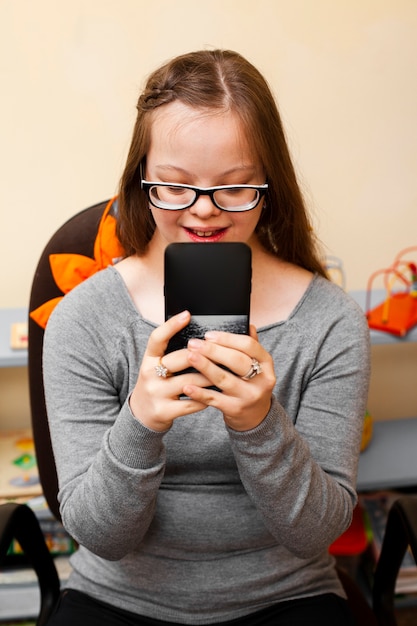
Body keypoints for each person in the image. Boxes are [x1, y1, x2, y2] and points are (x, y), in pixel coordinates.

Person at [43, 49, 371, 625]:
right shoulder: (83, 319)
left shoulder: (329, 321)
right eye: (173, 186)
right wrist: (139, 423)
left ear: (269, 185)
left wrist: (259, 424)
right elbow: (100, 535)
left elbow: (317, 531)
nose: (203, 212)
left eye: (235, 187)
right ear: (140, 179)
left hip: (287, 595)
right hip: (119, 597)